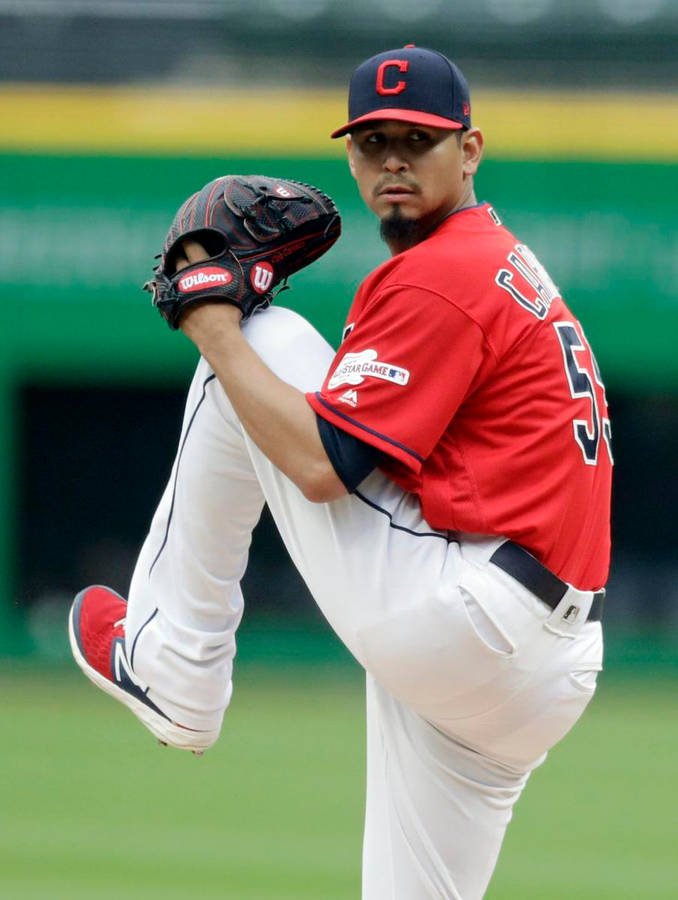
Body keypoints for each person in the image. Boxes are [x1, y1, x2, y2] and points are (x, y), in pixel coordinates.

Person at [69, 45, 612, 899]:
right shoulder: (504, 262)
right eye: (371, 141)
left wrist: (211, 318)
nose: (392, 160)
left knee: (254, 344)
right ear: (351, 155)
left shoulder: (440, 275)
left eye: (418, 139)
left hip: (472, 619)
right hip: (545, 663)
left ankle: (174, 666)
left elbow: (323, 468)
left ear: (469, 151)